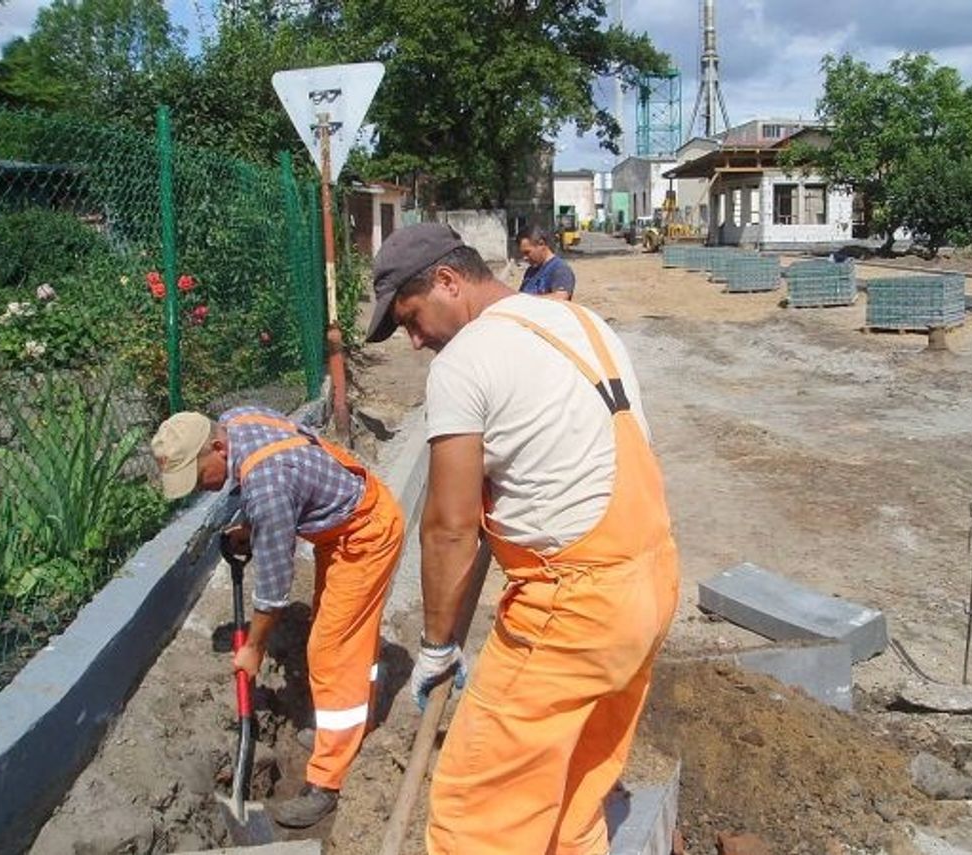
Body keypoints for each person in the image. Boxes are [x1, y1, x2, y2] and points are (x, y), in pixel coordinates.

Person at [365, 223, 679, 855]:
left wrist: (435, 646)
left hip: (574, 611)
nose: (413, 340)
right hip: (651, 584)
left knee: (476, 815)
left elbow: (449, 528)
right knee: (572, 798)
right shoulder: (585, 325)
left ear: (449, 282)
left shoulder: (465, 361)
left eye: (410, 318)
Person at [150, 406, 404, 828]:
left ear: (217, 446)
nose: (199, 489)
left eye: (198, 476)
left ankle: (327, 781)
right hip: (340, 527)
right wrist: (251, 527)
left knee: (332, 652)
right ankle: (348, 726)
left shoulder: (266, 486)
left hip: (365, 535)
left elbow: (273, 591)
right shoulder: (238, 419)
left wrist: (253, 647)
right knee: (341, 640)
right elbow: (285, 486)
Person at [518, 224, 576, 300]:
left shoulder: (560, 269)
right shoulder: (530, 271)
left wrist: (526, 300)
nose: (524, 258)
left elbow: (560, 298)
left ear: (541, 244)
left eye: (527, 252)